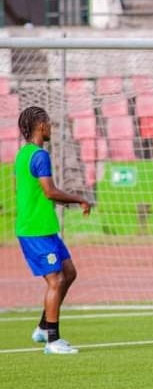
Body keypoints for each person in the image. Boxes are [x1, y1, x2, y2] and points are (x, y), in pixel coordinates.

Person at [15, 106, 92, 354]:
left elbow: (38, 193)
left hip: (45, 228)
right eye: (48, 123)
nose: (50, 128)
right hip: (35, 230)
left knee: (69, 273)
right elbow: (49, 192)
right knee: (56, 280)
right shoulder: (39, 155)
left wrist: (62, 200)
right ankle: (52, 341)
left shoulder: (23, 154)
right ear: (41, 126)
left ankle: (42, 328)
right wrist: (79, 199)